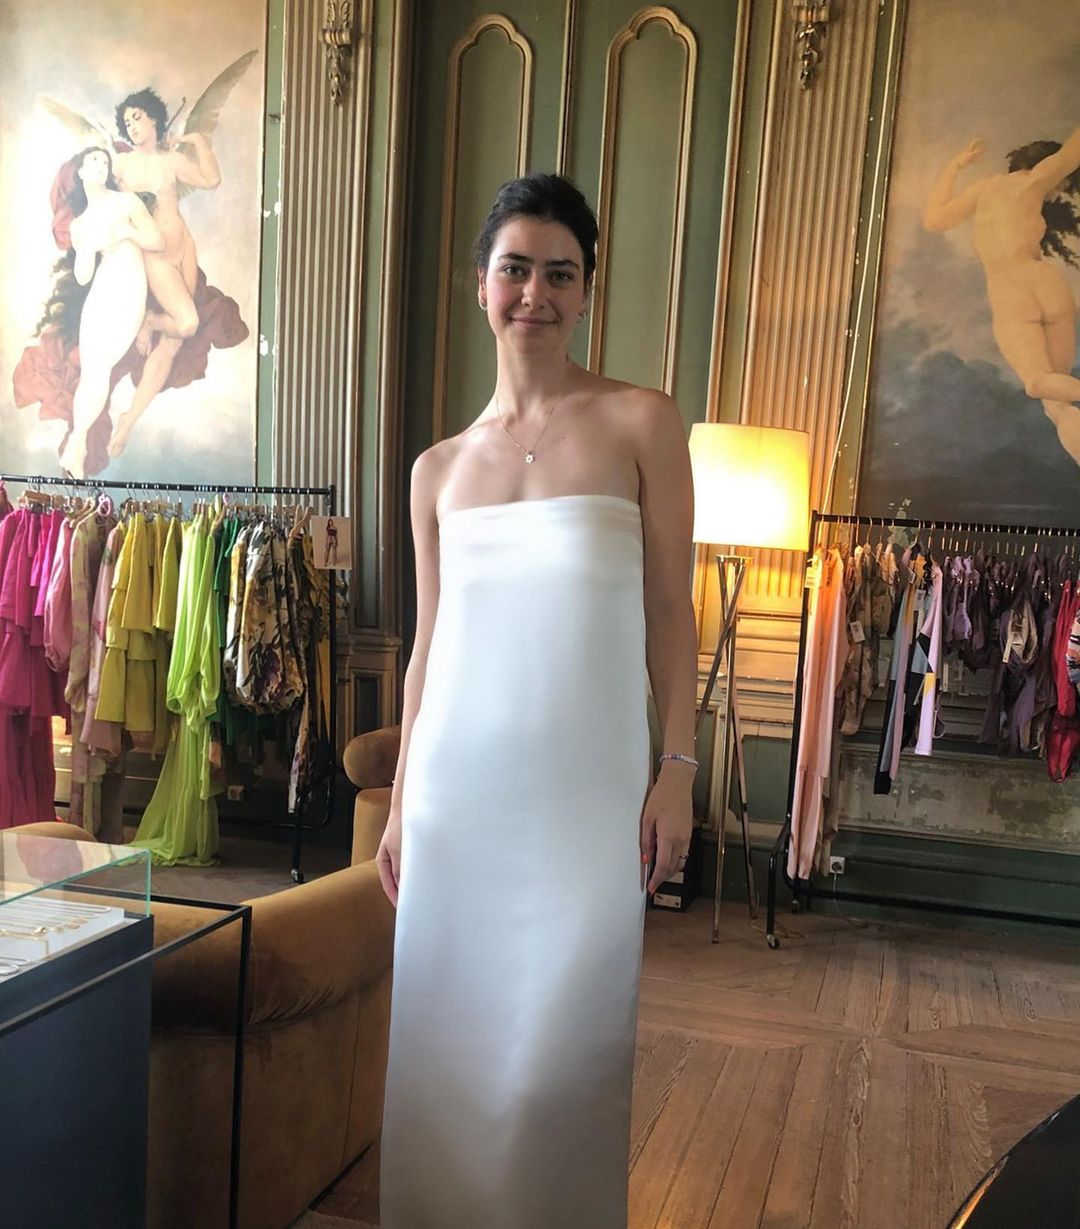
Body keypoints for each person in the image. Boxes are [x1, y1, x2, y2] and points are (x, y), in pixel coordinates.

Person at [375, 174, 698, 1228]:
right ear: (481, 284)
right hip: (456, 801)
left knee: (565, 1056)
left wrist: (678, 771)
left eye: (561, 273)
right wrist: (403, 801)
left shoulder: (642, 421)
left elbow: (671, 614)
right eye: (515, 269)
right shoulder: (434, 471)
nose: (536, 293)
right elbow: (426, 650)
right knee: (450, 1056)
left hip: (585, 803)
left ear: (587, 291)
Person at [923, 126, 1080, 464]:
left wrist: (954, 167)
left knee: (1042, 387)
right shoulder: (1035, 180)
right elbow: (1073, 151)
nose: (1057, 192)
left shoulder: (983, 190)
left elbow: (935, 219)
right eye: (1062, 184)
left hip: (1011, 291)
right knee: (1055, 402)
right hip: (1045, 284)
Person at [107, 88, 222, 457]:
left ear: (154, 118)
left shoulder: (172, 160)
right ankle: (153, 320)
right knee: (186, 324)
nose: (132, 126)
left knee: (174, 344)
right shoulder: (121, 165)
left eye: (137, 117)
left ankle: (129, 418)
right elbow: (100, 199)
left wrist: (196, 141)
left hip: (184, 248)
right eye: (127, 122)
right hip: (155, 257)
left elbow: (212, 180)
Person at [57, 147, 164, 478]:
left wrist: (127, 232)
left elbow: (156, 240)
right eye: (94, 161)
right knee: (92, 370)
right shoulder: (80, 224)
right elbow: (83, 276)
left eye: (105, 161)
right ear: (81, 172)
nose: (101, 165)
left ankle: (77, 443)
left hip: (129, 289)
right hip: (102, 291)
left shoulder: (126, 202)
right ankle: (77, 443)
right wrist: (88, 248)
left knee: (100, 366)